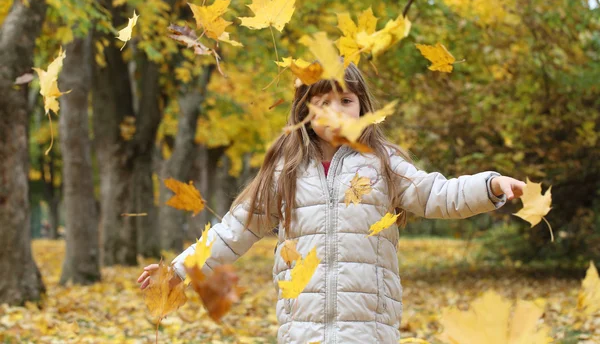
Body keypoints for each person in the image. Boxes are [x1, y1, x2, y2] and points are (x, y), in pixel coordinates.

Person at [138, 63, 526, 343]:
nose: (336, 111)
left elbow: (435, 194)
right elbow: (232, 232)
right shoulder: (285, 170)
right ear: (304, 110)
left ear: (362, 107)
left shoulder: (383, 161)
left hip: (368, 326)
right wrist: (179, 270)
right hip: (302, 325)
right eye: (323, 101)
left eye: (346, 100)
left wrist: (489, 185)